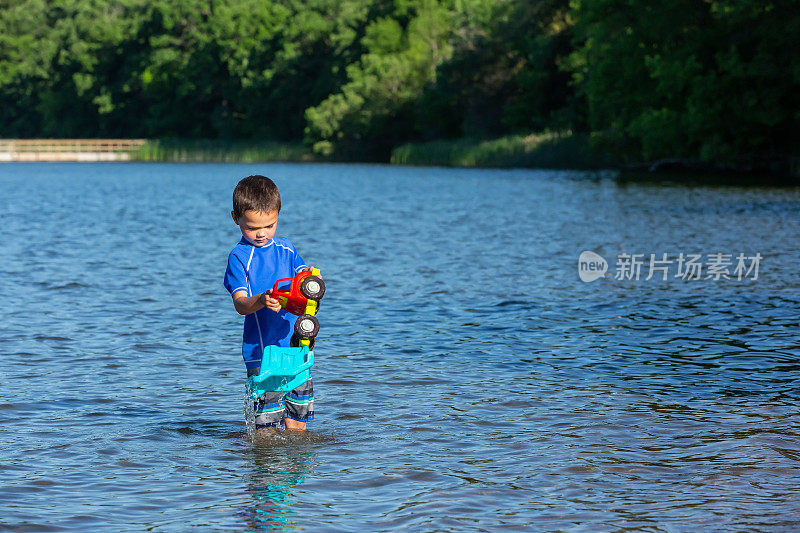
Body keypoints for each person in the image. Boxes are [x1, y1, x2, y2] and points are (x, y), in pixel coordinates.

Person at [223, 175, 314, 431]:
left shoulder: (286, 248)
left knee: (298, 423)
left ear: (278, 216)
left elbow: (305, 281)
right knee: (266, 430)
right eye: (252, 228)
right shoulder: (239, 258)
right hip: (262, 354)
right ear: (235, 218)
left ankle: (298, 470)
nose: (261, 233)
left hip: (296, 348)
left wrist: (311, 286)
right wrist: (261, 300)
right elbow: (240, 304)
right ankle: (264, 471)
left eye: (269, 225)